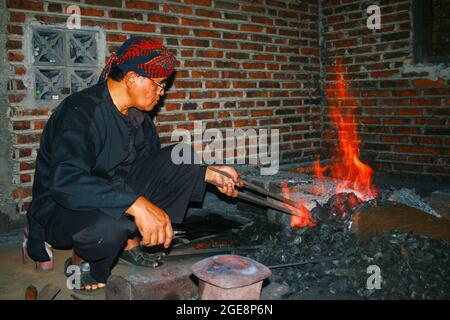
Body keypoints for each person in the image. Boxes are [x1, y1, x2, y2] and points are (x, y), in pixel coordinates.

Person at [26, 36, 242, 293]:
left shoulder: (139, 118)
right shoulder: (80, 112)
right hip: (62, 210)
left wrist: (209, 173)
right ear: (131, 79)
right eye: (159, 85)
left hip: (109, 195)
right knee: (112, 225)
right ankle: (81, 260)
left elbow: (151, 169)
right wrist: (136, 204)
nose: (162, 93)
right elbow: (66, 183)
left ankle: (129, 240)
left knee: (182, 155)